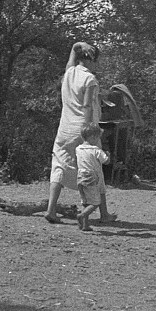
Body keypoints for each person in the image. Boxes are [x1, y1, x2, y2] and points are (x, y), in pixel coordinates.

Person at [45, 41, 117, 224]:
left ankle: (51, 209)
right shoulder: (90, 79)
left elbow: (72, 55)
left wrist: (78, 45)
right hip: (82, 128)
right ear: (92, 60)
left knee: (59, 165)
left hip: (64, 128)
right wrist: (89, 131)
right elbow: (86, 105)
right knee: (94, 169)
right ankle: (103, 213)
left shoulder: (69, 72)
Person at [75, 123, 111, 231]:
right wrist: (108, 155)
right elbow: (106, 161)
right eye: (97, 138)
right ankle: (81, 215)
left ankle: (85, 225)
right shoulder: (95, 150)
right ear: (93, 137)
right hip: (92, 178)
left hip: (80, 177)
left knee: (85, 202)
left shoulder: (78, 149)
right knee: (95, 202)